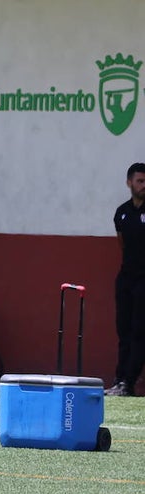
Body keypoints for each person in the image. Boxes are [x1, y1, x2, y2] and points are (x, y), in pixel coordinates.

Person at [109, 163, 145, 397]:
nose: (144, 185)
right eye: (140, 181)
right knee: (123, 329)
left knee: (139, 330)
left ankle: (129, 382)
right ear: (129, 183)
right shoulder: (122, 212)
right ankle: (119, 379)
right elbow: (122, 243)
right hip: (126, 277)